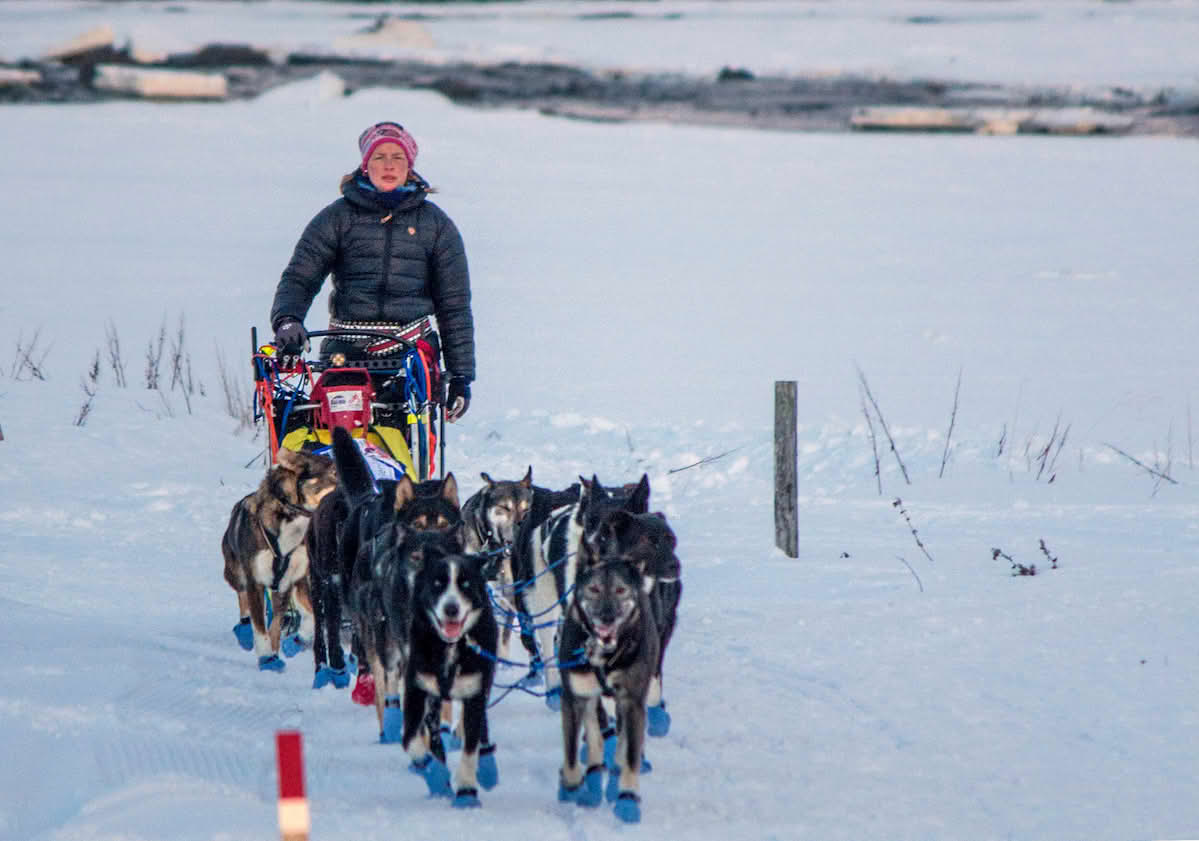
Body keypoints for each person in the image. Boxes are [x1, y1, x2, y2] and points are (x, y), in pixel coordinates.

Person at [270, 121, 475, 421]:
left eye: (398, 157)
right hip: (346, 352)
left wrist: (460, 376)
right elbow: (300, 278)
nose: (389, 165)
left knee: (405, 437)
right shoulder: (337, 218)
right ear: (365, 166)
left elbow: (455, 305)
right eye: (379, 157)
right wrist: (288, 321)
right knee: (333, 434)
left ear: (410, 166)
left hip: (412, 353)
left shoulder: (436, 225)